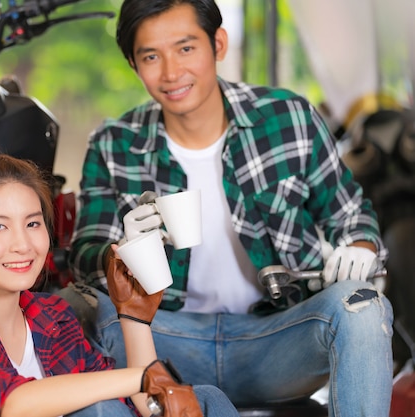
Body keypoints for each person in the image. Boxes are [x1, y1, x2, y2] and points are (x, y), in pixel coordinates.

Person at [67, 1, 394, 416]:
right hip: (168, 343)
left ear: (217, 44)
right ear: (134, 63)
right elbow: (83, 258)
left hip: (276, 338)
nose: (171, 72)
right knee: (76, 309)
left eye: (186, 48)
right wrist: (120, 251)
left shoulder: (287, 117)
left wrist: (360, 248)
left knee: (362, 307)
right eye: (151, 56)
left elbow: (350, 216)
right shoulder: (113, 144)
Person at [0, 154, 239, 417]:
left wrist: (134, 317)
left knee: (206, 399)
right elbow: (8, 404)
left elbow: (135, 404)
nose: (22, 244)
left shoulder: (53, 317)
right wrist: (146, 377)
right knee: (98, 410)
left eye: (33, 223)